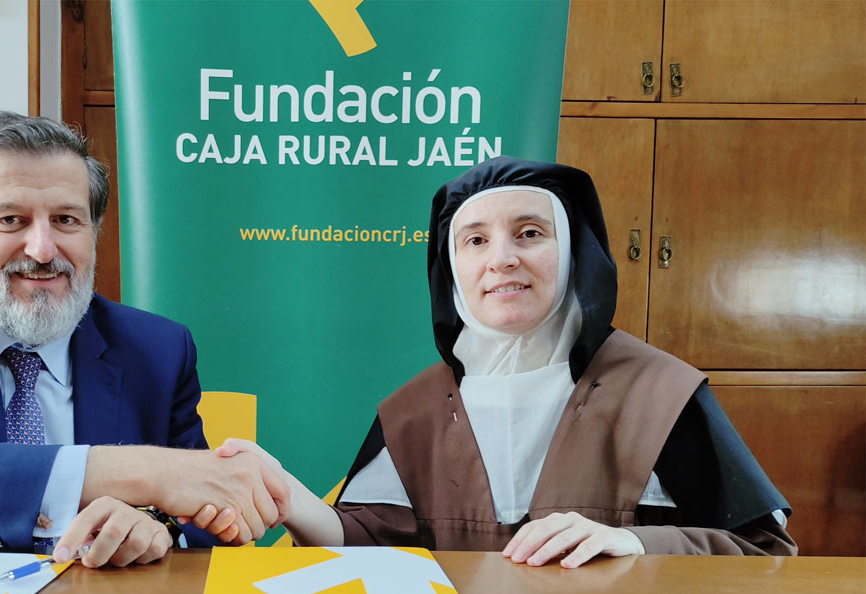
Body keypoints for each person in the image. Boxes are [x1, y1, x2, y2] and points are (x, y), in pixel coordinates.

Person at [219, 157, 795, 566]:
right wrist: (289, 498)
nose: (502, 260)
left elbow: (766, 554)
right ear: (453, 270)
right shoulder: (414, 411)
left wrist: (639, 545)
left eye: (529, 233)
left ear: (572, 254)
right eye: (474, 241)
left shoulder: (659, 394)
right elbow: (370, 549)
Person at [0, 111, 287, 568]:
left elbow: (200, 511)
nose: (42, 250)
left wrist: (151, 524)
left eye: (66, 220)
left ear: (94, 232)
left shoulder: (159, 349)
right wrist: (142, 474)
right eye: (11, 220)